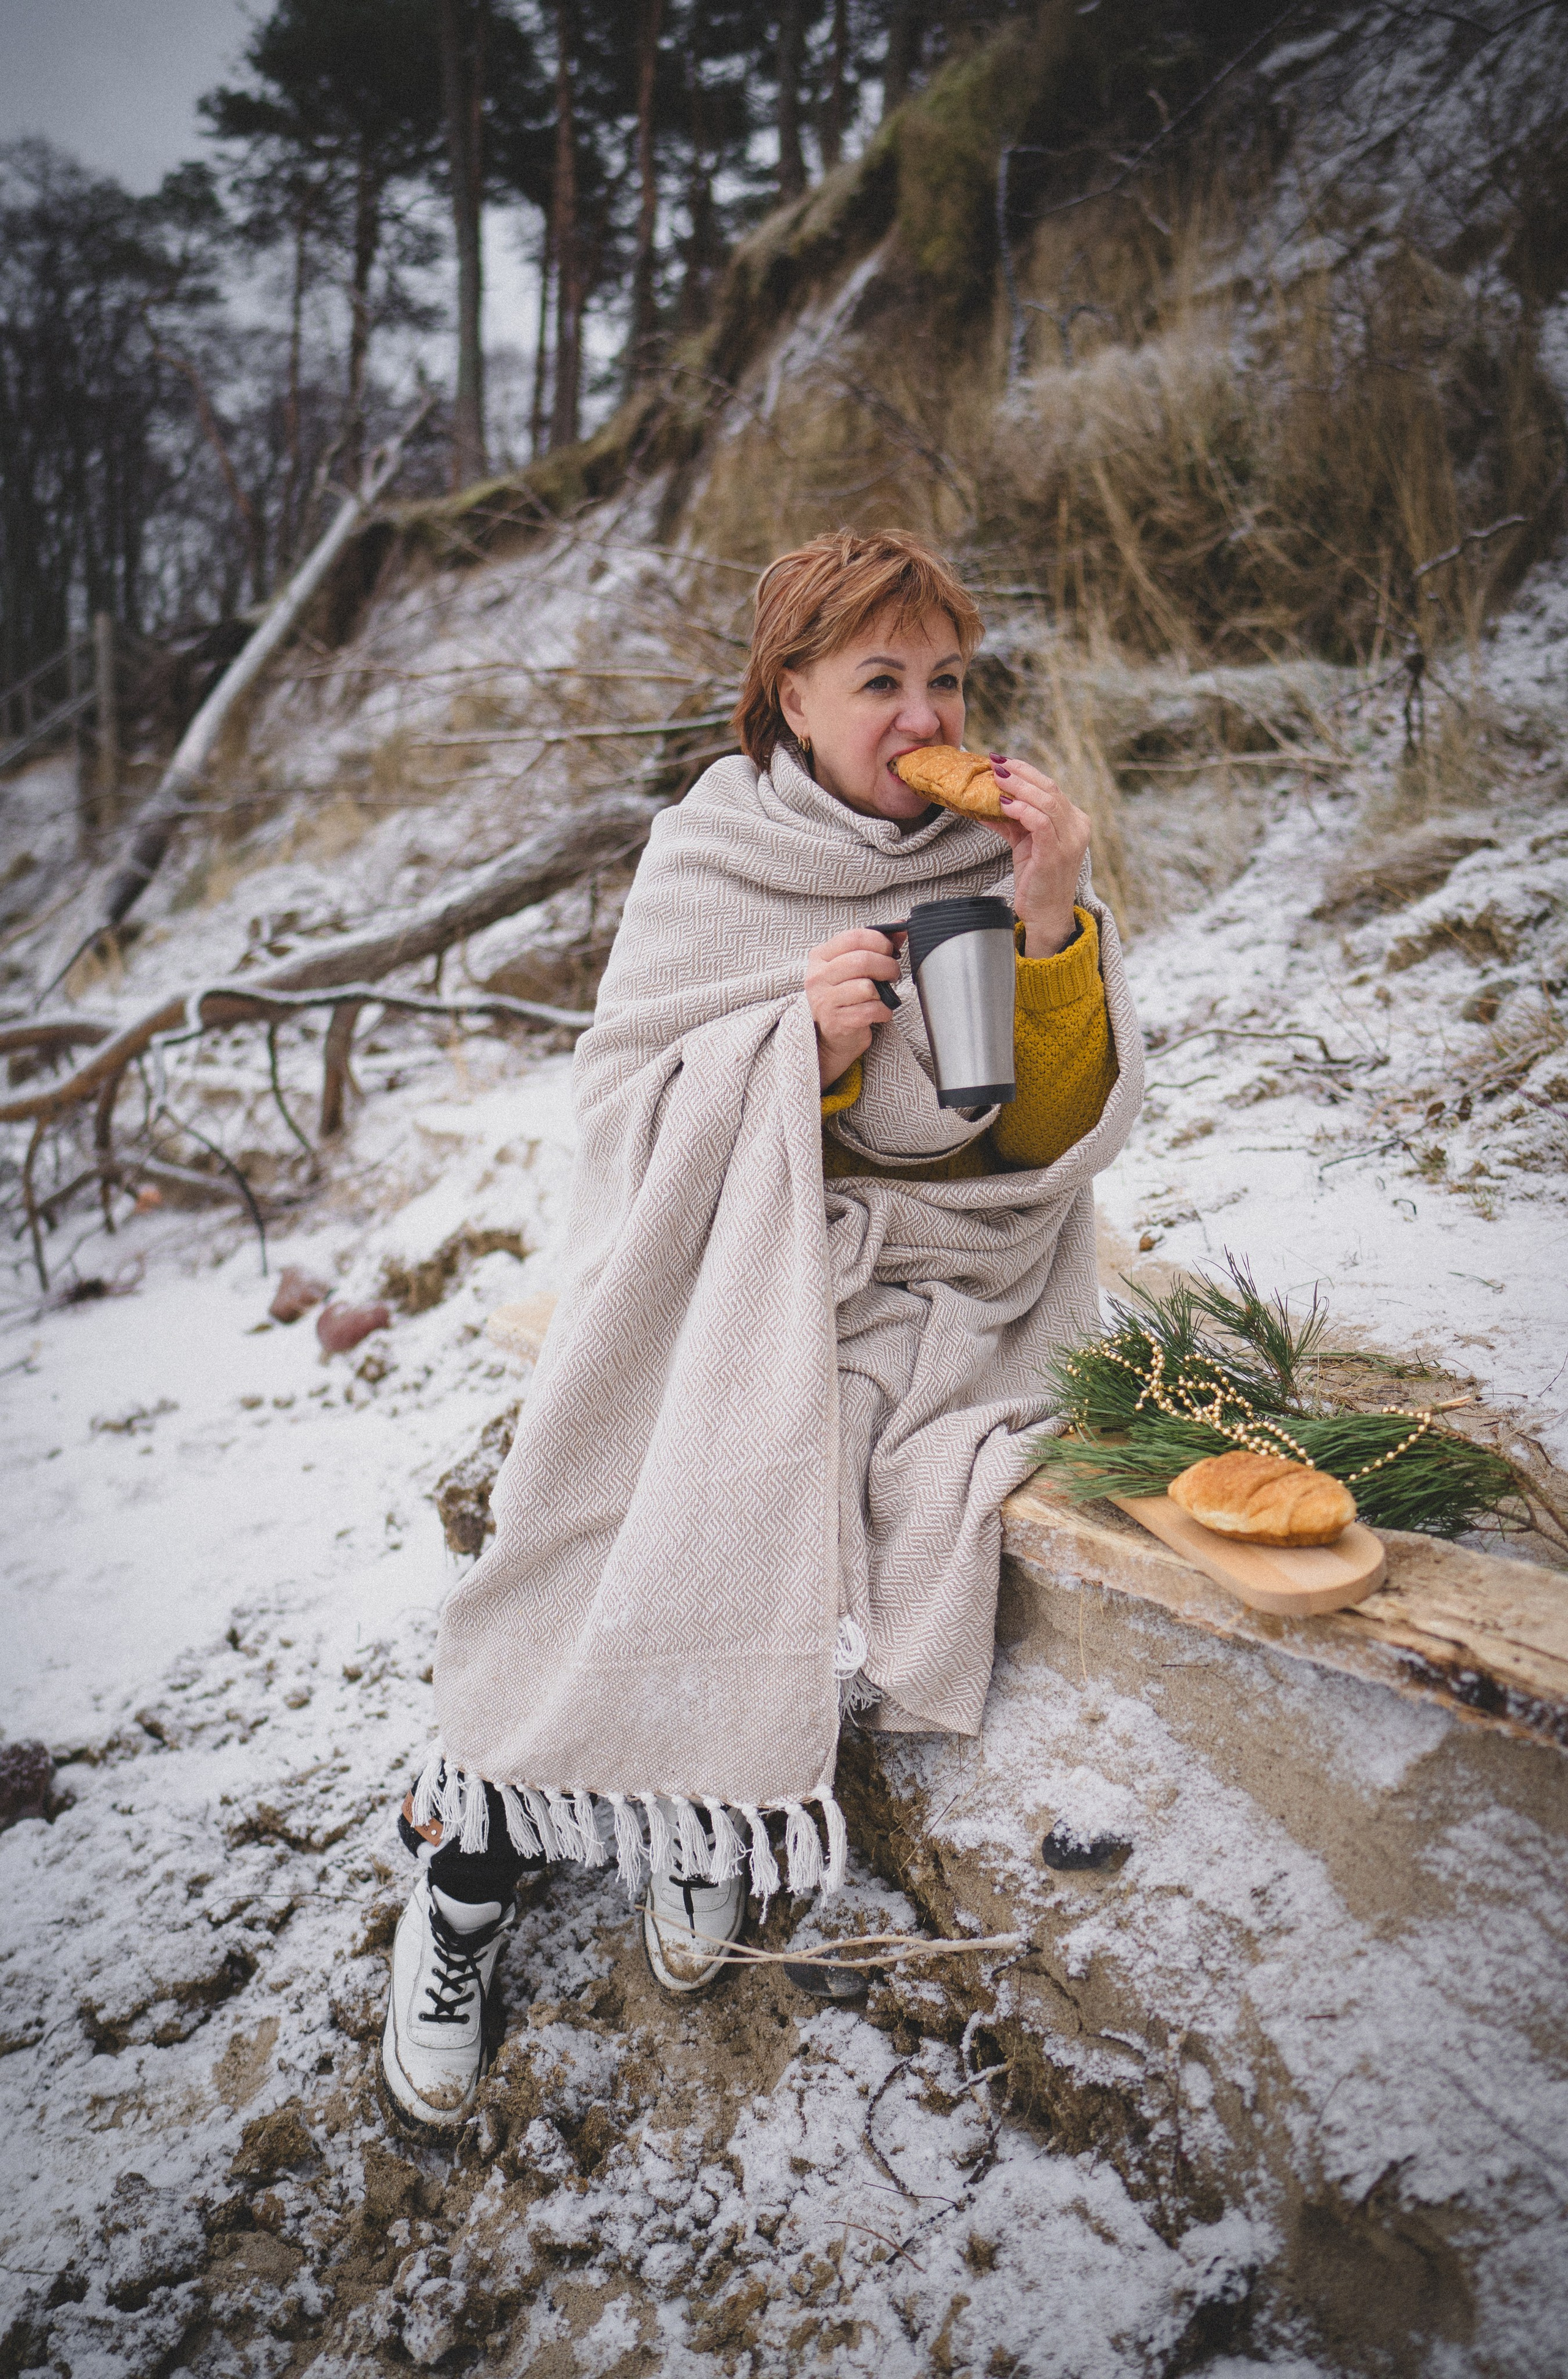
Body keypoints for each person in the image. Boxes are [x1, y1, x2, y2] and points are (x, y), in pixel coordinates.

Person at [380, 529, 1142, 2133]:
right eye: (881, 679)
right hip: (716, 1252)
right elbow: (618, 1115)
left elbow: (1036, 1140)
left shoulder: (979, 860)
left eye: (946, 678)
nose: (924, 710)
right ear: (788, 696)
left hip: (937, 1268)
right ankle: (464, 1884)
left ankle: (702, 1820)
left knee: (827, 1467)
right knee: (641, 1490)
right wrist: (785, 1043)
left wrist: (1056, 920)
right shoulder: (710, 856)